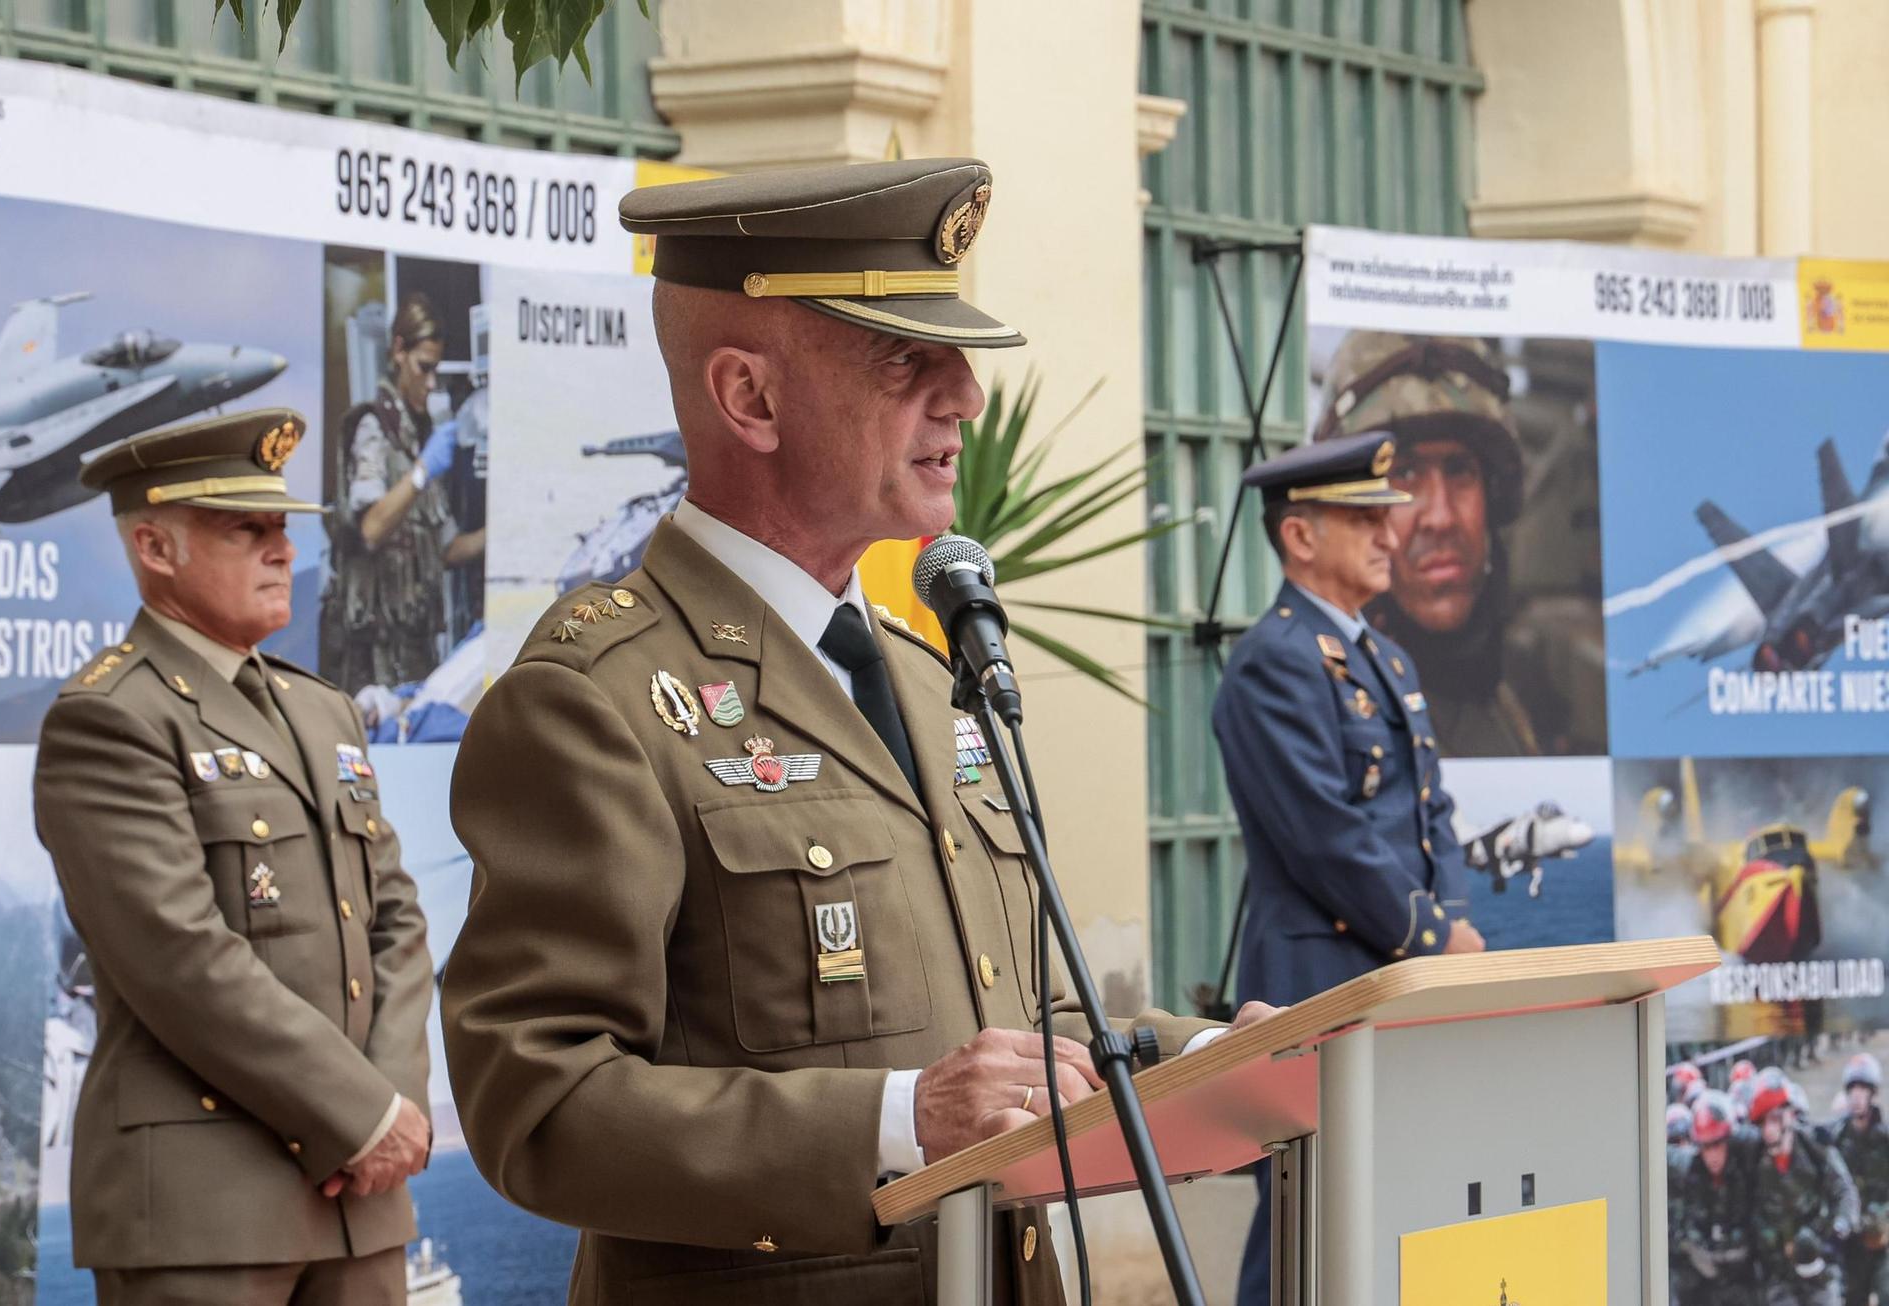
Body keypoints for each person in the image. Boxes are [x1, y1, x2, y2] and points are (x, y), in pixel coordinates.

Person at [440, 157, 1273, 1305]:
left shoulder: (930, 676)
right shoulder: (596, 699)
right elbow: (535, 1102)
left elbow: (1029, 1019)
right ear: (751, 399)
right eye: (904, 359)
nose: (966, 398)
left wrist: (1211, 1059)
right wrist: (898, 1121)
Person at [34, 409, 433, 1304]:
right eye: (243, 528)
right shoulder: (110, 719)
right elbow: (181, 960)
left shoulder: (322, 709)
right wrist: (362, 1117)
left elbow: (395, 922)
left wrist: (394, 1113)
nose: (281, 549)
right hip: (204, 1210)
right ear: (154, 546)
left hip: (361, 1202)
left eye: (282, 527)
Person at [1212, 428, 1484, 1304]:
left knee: (1399, 1210)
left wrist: (1457, 922)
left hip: (1399, 979)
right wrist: (1437, 935)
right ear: (1299, 536)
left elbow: (1431, 815)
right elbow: (1326, 838)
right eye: (1364, 518)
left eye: (1387, 518)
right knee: (1308, 1220)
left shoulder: (1385, 656)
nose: (1391, 535)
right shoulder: (1272, 665)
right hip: (1318, 982)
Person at [1312, 330, 1606, 757]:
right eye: (1406, 474)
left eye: (1459, 471)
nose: (1441, 517)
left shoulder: (1503, 698)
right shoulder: (1324, 710)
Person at [322, 291, 483, 699]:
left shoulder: (420, 439)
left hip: (415, 652)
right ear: (398, 351)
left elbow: (448, 549)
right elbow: (372, 528)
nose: (430, 383)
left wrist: (506, 530)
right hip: (369, 662)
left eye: (436, 370)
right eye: (423, 368)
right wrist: (422, 472)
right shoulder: (373, 429)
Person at [1752, 1068, 1860, 1306]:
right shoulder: (1753, 1156)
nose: (1767, 1130)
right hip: (1779, 1272)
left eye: (1773, 1119)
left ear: (1789, 1115)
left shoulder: (1815, 1146)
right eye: (1762, 1122)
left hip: (1821, 1262)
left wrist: (1839, 1228)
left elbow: (1845, 1191)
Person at [1670, 1089, 1763, 1306]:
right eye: (1705, 1146)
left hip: (1745, 1274)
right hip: (1706, 1278)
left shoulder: (1748, 1164)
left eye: (1717, 1144)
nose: (1712, 1155)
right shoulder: (1690, 1169)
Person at [1833, 1053, 1889, 1306]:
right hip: (1851, 1243)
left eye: (1862, 1090)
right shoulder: (1837, 1139)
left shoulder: (1885, 1139)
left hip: (1883, 1241)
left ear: (1872, 1094)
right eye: (1852, 1090)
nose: (1856, 1097)